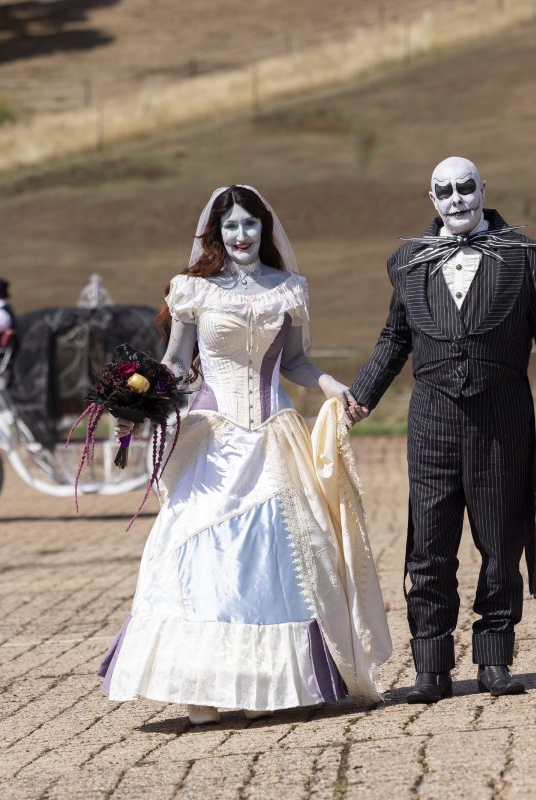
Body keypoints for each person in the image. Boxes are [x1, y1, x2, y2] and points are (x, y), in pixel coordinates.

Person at [97, 185, 392, 724]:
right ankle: (203, 692)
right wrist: (135, 396)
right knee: (204, 556)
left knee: (280, 560)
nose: (240, 235)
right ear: (216, 233)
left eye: (249, 225)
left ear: (265, 230)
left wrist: (329, 385)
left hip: (275, 433)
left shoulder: (290, 290)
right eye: (230, 226)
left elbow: (298, 361)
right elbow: (174, 360)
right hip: (214, 436)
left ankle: (267, 686)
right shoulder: (193, 291)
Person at [347, 157, 536, 703]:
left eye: (465, 188)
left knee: (501, 542)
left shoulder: (527, 259)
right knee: (429, 545)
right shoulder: (409, 262)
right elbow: (394, 337)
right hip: (431, 420)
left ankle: (494, 661)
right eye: (444, 192)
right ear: (430, 199)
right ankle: (431, 670)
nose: (456, 199)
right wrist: (360, 396)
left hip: (501, 417)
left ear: (483, 189)